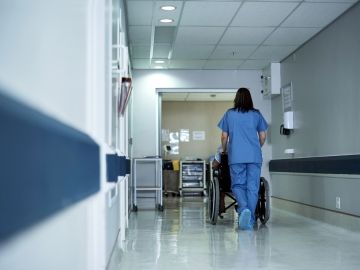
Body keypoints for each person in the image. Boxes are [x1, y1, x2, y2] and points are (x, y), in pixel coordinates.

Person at [217, 87, 268, 230]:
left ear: (236, 99)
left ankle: (244, 209)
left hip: (236, 156)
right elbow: (263, 136)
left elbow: (224, 136)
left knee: (238, 185)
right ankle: (250, 218)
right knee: (253, 187)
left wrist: (225, 149)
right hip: (254, 156)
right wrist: (257, 147)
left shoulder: (229, 114)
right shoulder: (256, 114)